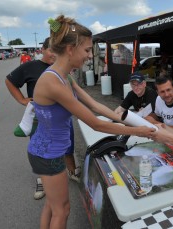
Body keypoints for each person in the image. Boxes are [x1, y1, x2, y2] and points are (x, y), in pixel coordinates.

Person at [28, 15, 154, 228]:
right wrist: (139, 131)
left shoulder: (64, 76)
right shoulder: (53, 82)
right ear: (70, 49)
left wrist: (128, 121)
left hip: (50, 150)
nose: (89, 56)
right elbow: (95, 123)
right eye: (87, 50)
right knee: (62, 210)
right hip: (47, 153)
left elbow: (96, 106)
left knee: (51, 205)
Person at [5, 37, 80, 201]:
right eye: (51, 50)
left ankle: (72, 172)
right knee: (43, 151)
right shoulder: (31, 67)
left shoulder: (62, 68)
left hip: (63, 117)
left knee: (68, 145)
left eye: (57, 50)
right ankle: (42, 181)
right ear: (43, 50)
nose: (54, 54)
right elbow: (9, 81)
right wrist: (21, 99)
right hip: (41, 121)